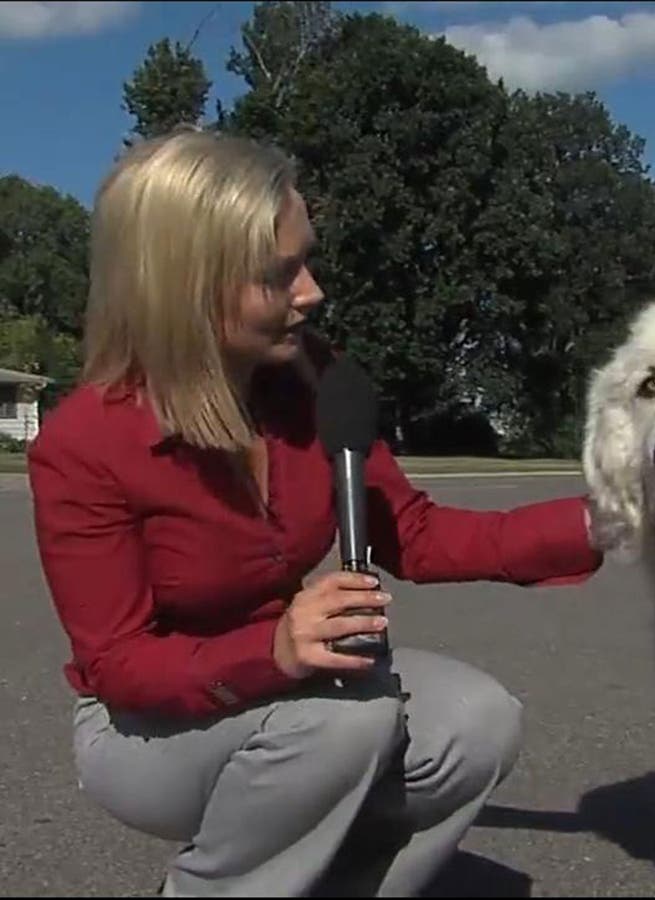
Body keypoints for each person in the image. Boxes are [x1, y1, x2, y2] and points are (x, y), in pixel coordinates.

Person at [27, 126, 603, 897]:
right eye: (279, 273)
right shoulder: (85, 444)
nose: (312, 291)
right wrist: (274, 649)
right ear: (186, 287)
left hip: (299, 693)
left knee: (475, 720)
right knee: (346, 724)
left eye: (308, 259)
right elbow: (119, 665)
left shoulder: (318, 381)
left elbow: (418, 534)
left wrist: (608, 520)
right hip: (148, 730)